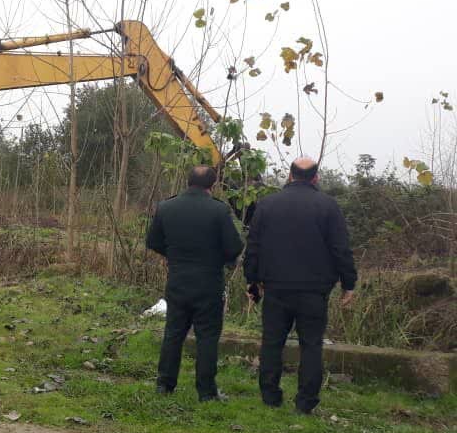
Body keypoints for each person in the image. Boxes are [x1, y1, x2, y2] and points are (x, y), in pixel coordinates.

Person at [244, 157, 357, 414]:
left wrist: (252, 281)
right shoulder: (329, 206)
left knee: (272, 342)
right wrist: (348, 283)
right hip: (314, 290)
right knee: (311, 345)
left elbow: (254, 247)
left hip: (276, 287)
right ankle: (305, 403)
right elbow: (341, 249)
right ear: (315, 178)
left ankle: (270, 397)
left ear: (289, 176)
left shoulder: (267, 205)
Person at [146, 166, 243, 401]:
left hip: (178, 281)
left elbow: (153, 241)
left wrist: (174, 255)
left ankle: (164, 385)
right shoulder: (219, 210)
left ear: (188, 181)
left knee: (173, 334)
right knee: (207, 337)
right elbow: (234, 247)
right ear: (213, 185)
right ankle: (206, 392)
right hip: (209, 284)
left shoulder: (166, 207)